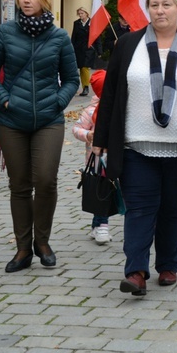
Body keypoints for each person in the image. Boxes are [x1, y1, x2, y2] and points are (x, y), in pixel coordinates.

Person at [92, 0, 177, 297]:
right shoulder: (127, 44)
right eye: (154, 5)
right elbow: (110, 94)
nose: (160, 11)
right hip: (136, 144)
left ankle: (168, 265)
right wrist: (101, 139)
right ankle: (136, 271)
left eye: (166, 5)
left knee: (174, 210)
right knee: (139, 209)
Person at [0, 0, 80, 273]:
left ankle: (43, 242)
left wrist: (58, 102)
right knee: (19, 185)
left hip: (49, 119)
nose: (25, 0)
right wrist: (5, 100)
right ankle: (23, 249)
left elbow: (72, 79)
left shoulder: (59, 37)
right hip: (11, 121)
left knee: (46, 180)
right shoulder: (5, 33)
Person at [72, 69, 111, 244]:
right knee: (101, 191)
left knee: (106, 191)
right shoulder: (91, 111)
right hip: (96, 161)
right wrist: (87, 135)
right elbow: (76, 129)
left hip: (116, 158)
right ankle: (102, 225)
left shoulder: (119, 108)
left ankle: (97, 225)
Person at [71, 7, 101, 96]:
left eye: (82, 13)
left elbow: (97, 38)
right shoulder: (76, 23)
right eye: (79, 14)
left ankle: (86, 87)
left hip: (89, 49)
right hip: (78, 49)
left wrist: (99, 51)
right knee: (81, 68)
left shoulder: (92, 23)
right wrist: (71, 48)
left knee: (85, 67)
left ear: (87, 13)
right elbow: (74, 37)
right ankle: (82, 86)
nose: (80, 15)